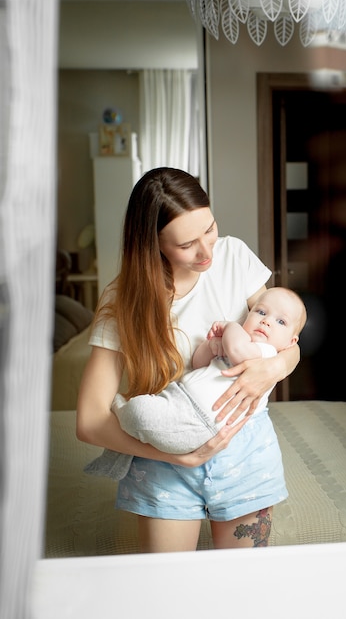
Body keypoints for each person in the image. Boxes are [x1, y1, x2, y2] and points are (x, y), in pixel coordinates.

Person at [76, 167, 300, 552]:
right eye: (186, 245)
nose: (207, 251)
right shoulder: (123, 301)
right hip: (164, 457)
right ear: (152, 243)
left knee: (242, 588)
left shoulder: (234, 256)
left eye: (209, 229)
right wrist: (177, 456)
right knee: (169, 590)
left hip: (243, 448)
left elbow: (285, 334)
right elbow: (90, 420)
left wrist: (274, 369)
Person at [84, 286, 306, 479]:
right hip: (180, 401)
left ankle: (121, 409)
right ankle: (128, 423)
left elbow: (239, 351)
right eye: (260, 312)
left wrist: (230, 327)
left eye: (280, 321)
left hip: (201, 422)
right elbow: (199, 363)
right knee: (143, 415)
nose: (266, 321)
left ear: (291, 342)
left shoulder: (267, 352)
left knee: (139, 413)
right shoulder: (240, 342)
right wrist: (210, 347)